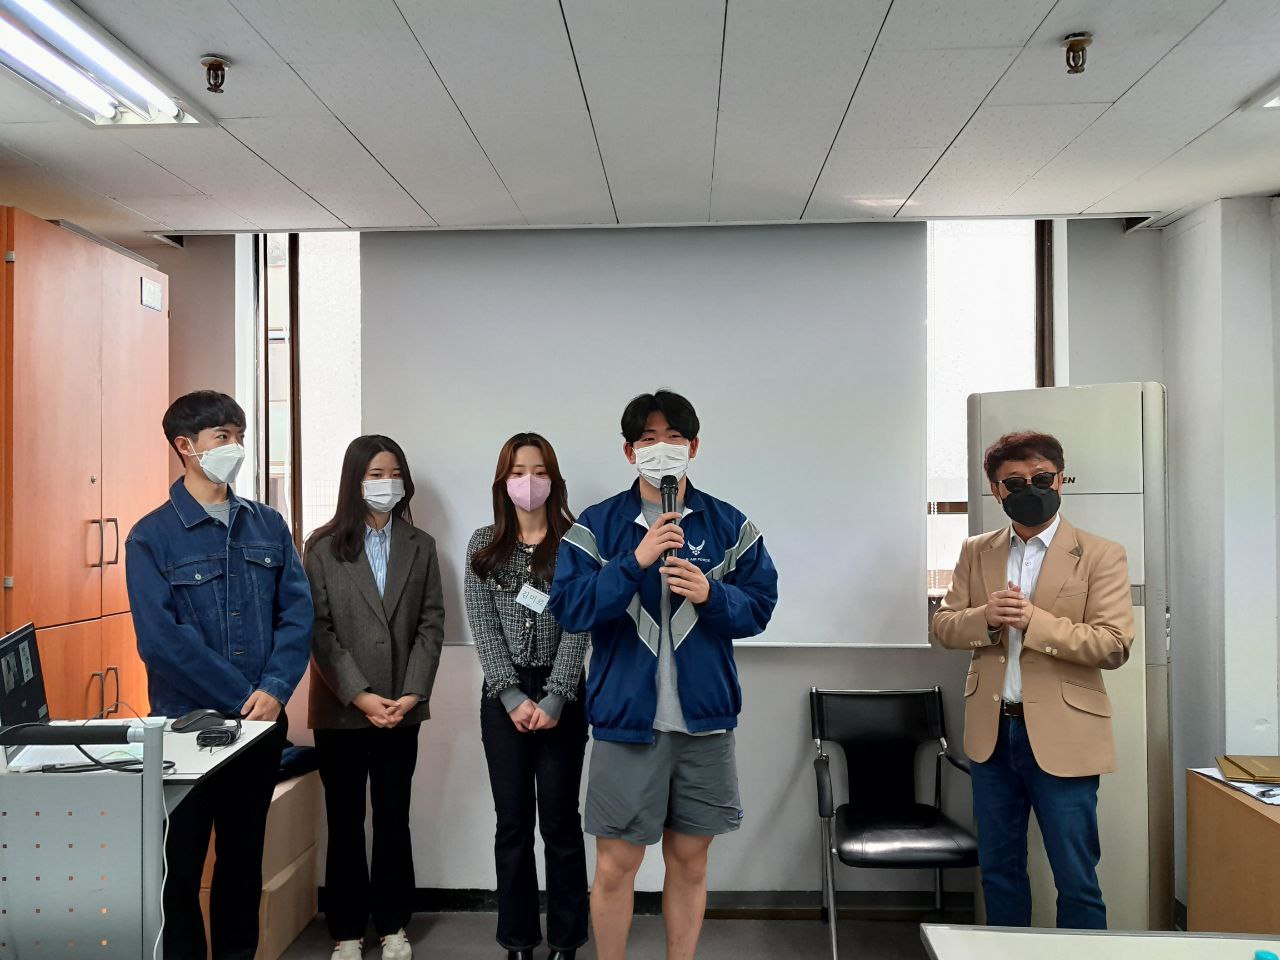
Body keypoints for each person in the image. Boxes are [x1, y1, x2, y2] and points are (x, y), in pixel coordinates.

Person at [548, 390, 778, 960]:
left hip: (704, 723)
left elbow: (759, 607)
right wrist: (635, 561)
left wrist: (712, 595)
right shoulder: (596, 526)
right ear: (630, 452)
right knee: (615, 864)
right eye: (648, 440)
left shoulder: (730, 525)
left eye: (674, 438)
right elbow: (570, 608)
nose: (662, 449)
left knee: (691, 861)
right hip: (627, 723)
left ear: (693, 447)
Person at [125, 390, 312, 960]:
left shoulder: (268, 525)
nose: (236, 447)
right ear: (186, 446)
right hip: (184, 732)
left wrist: (274, 691)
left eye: (239, 436)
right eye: (222, 437)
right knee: (177, 870)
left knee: (241, 863)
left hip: (260, 729)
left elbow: (297, 614)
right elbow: (161, 642)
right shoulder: (151, 536)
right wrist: (244, 696)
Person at [932, 430, 1135, 930]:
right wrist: (986, 618)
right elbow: (944, 627)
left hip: (1066, 734)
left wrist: (1034, 622)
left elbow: (1113, 644)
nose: (1032, 489)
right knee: (999, 872)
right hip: (993, 735)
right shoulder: (976, 551)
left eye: (1042, 478)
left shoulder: (1100, 553)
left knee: (1076, 878)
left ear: (1061, 480)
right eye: (1016, 482)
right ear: (996, 490)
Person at [305, 435, 445, 960]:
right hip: (341, 710)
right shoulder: (322, 546)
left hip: (401, 710)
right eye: (375, 474)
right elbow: (319, 630)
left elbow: (431, 624)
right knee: (344, 820)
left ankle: (392, 924)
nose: (387, 483)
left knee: (392, 817)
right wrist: (360, 695)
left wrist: (411, 693)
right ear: (354, 481)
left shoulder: (421, 545)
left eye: (394, 473)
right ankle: (345, 929)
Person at [466, 433, 591, 960]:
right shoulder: (483, 544)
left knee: (561, 822)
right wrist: (512, 695)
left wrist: (558, 694)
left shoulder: (577, 543)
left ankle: (566, 939)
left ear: (554, 480)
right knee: (513, 823)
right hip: (505, 696)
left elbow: (580, 622)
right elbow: (483, 626)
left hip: (563, 693)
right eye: (518, 472)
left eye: (539, 471)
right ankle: (518, 939)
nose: (529, 481)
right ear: (503, 481)